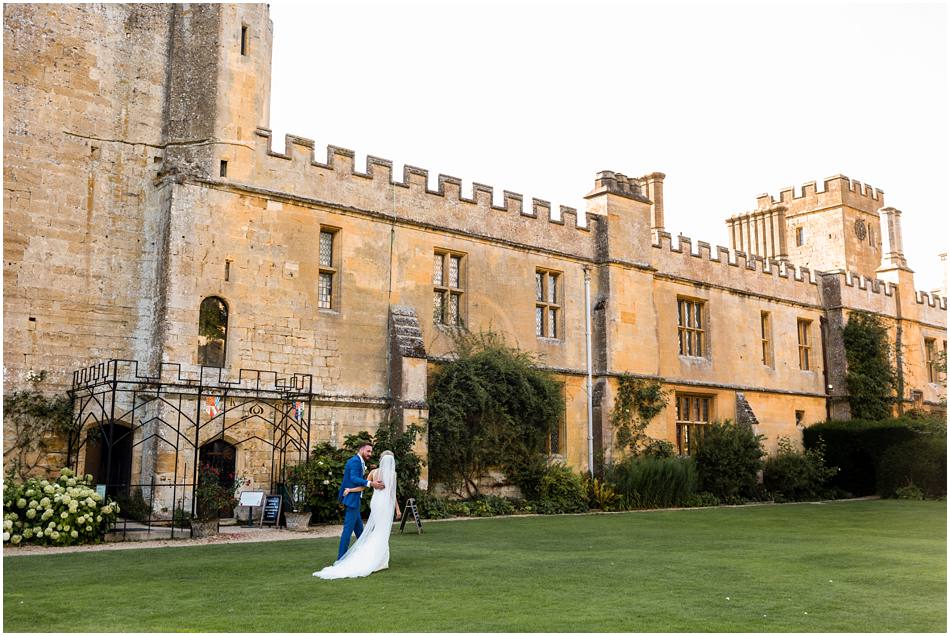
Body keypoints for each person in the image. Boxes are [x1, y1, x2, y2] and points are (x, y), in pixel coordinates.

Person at [313, 450, 400, 579]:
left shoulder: (374, 472)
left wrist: (350, 489)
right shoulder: (393, 474)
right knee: (382, 531)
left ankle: (376, 556)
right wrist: (397, 509)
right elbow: (393, 494)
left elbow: (362, 487)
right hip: (386, 505)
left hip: (376, 503)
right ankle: (378, 559)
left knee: (378, 530)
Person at [333, 442, 383, 561]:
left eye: (371, 451)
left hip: (354, 499)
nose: (370, 454)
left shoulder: (358, 461)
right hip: (352, 500)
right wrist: (371, 483)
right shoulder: (355, 461)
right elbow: (353, 478)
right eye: (368, 451)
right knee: (348, 531)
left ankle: (365, 556)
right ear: (361, 450)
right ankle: (341, 559)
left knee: (360, 532)